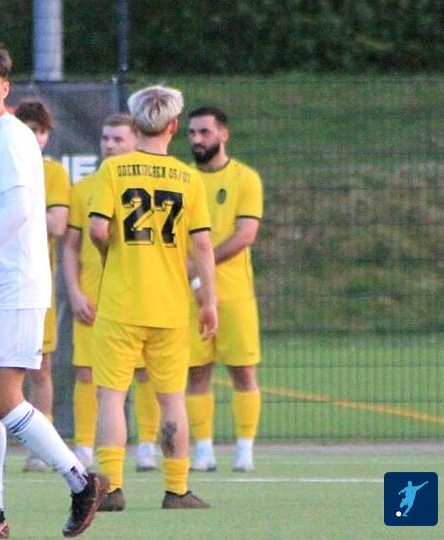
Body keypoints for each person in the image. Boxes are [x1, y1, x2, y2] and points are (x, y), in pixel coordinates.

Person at [0, 42, 107, 539]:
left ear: (4, 89)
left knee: (4, 397)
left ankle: (82, 481)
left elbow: (18, 211)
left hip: (16, 285)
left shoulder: (10, 136)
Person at [88, 85, 217, 510]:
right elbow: (202, 246)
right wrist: (209, 301)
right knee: (171, 399)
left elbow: (97, 229)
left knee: (111, 395)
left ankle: (111, 488)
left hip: (121, 303)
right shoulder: (188, 178)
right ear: (174, 126)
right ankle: (177, 489)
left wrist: (112, 254)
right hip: (169, 305)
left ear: (136, 124)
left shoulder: (113, 170)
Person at [0, 99, 71, 474]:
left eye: (39, 131)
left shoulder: (35, 157)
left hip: (20, 284)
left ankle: (73, 472)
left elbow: (35, 215)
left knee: (15, 388)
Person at [62, 114, 162, 500]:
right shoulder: (85, 188)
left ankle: (148, 445)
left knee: (146, 374)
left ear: (135, 140)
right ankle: (84, 447)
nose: (109, 145)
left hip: (139, 296)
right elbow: (71, 246)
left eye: (118, 139)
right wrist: (74, 291)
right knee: (88, 374)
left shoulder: (150, 186)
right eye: (105, 138)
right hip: (94, 298)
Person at [184, 106, 264, 473]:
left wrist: (201, 264)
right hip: (189, 293)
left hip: (234, 293)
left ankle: (244, 450)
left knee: (243, 372)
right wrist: (191, 274)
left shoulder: (245, 178)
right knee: (196, 372)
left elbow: (246, 235)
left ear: (223, 135)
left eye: (204, 132)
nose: (197, 139)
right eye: (192, 133)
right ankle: (203, 450)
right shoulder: (183, 179)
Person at [13, 99, 70, 472]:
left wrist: (16, 211)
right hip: (0, 284)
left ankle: (41, 449)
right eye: (26, 130)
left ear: (47, 135)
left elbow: (57, 225)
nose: (32, 137)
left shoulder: (53, 173)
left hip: (35, 284)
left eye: (38, 131)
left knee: (39, 369)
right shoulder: (1, 167)